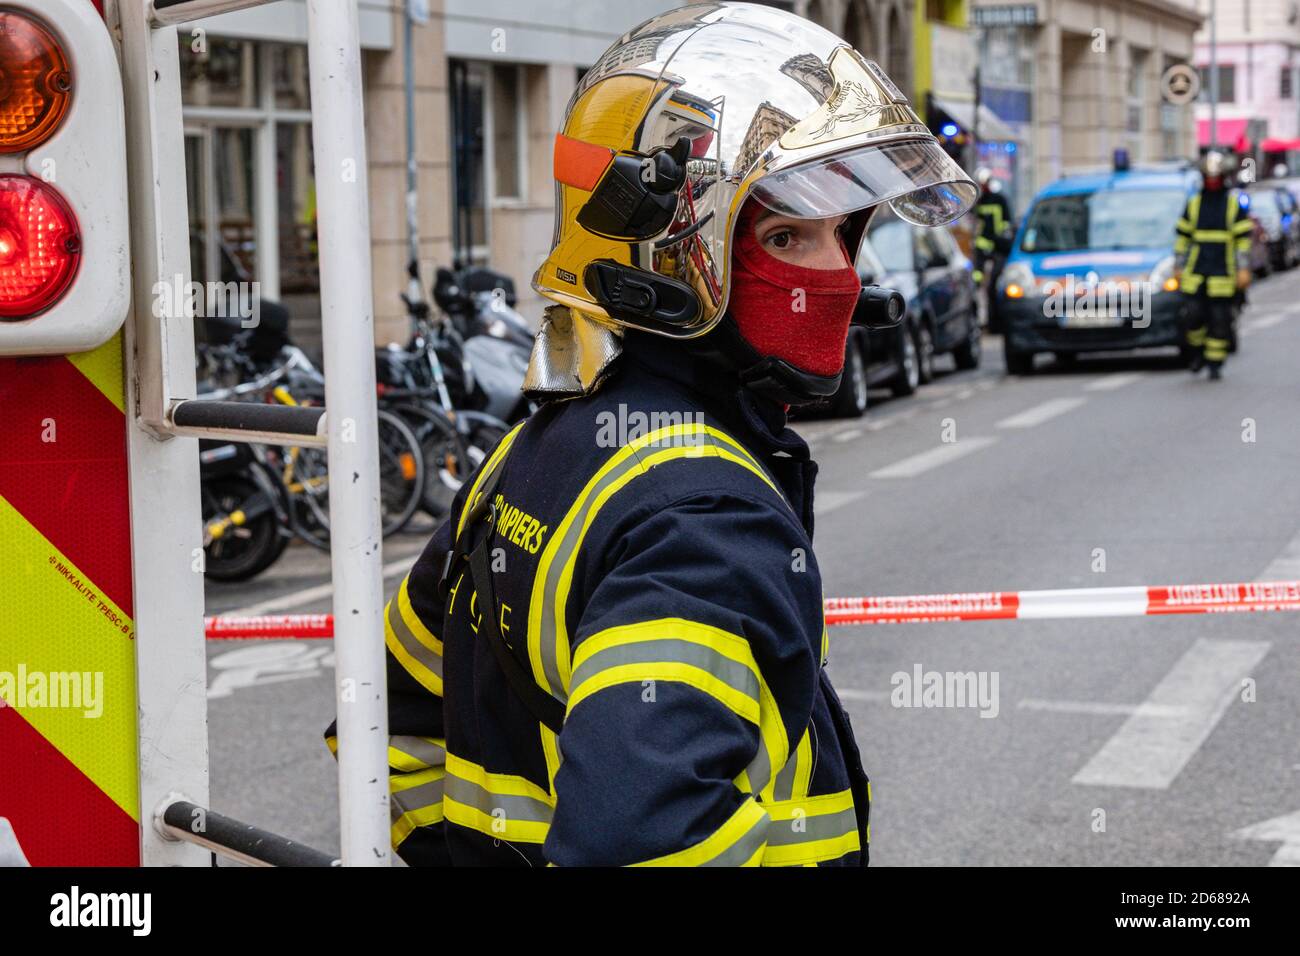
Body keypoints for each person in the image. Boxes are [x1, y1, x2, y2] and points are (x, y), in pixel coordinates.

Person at [324, 2, 975, 866]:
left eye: (845, 236)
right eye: (788, 236)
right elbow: (636, 843)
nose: (840, 280)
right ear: (674, 254)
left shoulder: (539, 444)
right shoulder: (703, 520)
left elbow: (386, 727)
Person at [1175, 151, 1253, 380]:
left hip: (1223, 272)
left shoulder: (1232, 205)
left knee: (1220, 321)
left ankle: (1215, 362)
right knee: (1192, 316)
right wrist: (1178, 265)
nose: (1212, 180)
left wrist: (1244, 269)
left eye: (1216, 176)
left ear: (1223, 177)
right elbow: (1182, 237)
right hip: (1196, 271)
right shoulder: (1194, 203)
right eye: (1208, 176)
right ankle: (1198, 353)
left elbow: (1242, 242)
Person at [972, 168, 1014, 332]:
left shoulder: (1000, 199)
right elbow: (976, 223)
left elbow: (1006, 223)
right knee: (978, 282)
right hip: (983, 248)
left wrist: (1002, 239)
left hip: (999, 247)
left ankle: (996, 320)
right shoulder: (980, 201)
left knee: (996, 285)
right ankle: (984, 319)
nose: (984, 187)